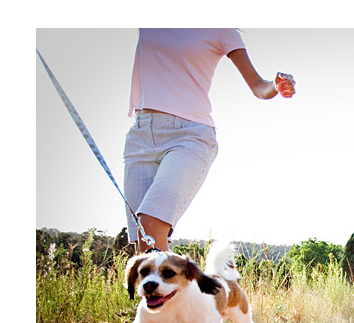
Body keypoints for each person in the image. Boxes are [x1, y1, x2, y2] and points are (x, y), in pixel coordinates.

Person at [124, 28, 296, 252]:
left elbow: (258, 87)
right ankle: (183, 287)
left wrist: (275, 85)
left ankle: (188, 286)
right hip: (141, 135)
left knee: (150, 225)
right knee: (144, 245)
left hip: (189, 137)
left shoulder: (220, 29)